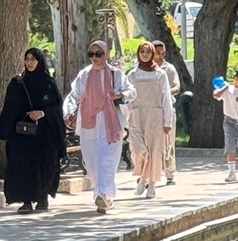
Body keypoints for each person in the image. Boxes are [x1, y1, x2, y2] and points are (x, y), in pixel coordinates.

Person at [63, 40, 136, 214]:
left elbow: (131, 92)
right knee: (92, 163)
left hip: (110, 124)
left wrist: (118, 95)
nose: (95, 58)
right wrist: (69, 112)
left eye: (99, 54)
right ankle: (103, 195)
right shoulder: (85, 75)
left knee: (107, 160)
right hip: (89, 124)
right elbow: (74, 96)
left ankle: (102, 194)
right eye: (92, 54)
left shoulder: (115, 74)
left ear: (106, 54)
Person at [0, 47, 67, 213]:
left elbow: (56, 108)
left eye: (33, 59)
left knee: (44, 165)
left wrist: (42, 113)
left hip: (44, 134)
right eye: (27, 59)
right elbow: (9, 108)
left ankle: (42, 197)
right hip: (22, 135)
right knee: (23, 166)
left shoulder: (48, 83)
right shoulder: (18, 83)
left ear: (40, 61)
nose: (30, 62)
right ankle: (26, 201)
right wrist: (2, 131)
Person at [125, 41, 175, 200]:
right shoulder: (132, 74)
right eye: (142, 52)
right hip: (137, 115)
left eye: (148, 52)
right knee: (139, 150)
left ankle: (151, 184)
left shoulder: (160, 74)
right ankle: (143, 177)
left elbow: (166, 96)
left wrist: (168, 121)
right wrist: (123, 119)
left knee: (154, 151)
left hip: (155, 116)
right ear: (138, 54)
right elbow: (127, 97)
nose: (145, 55)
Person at [151, 41, 182, 185]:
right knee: (150, 143)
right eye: (158, 53)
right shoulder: (142, 68)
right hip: (150, 110)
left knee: (168, 142)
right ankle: (149, 173)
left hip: (167, 109)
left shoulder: (169, 68)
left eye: (163, 53)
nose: (161, 56)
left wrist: (166, 92)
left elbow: (177, 86)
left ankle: (170, 174)